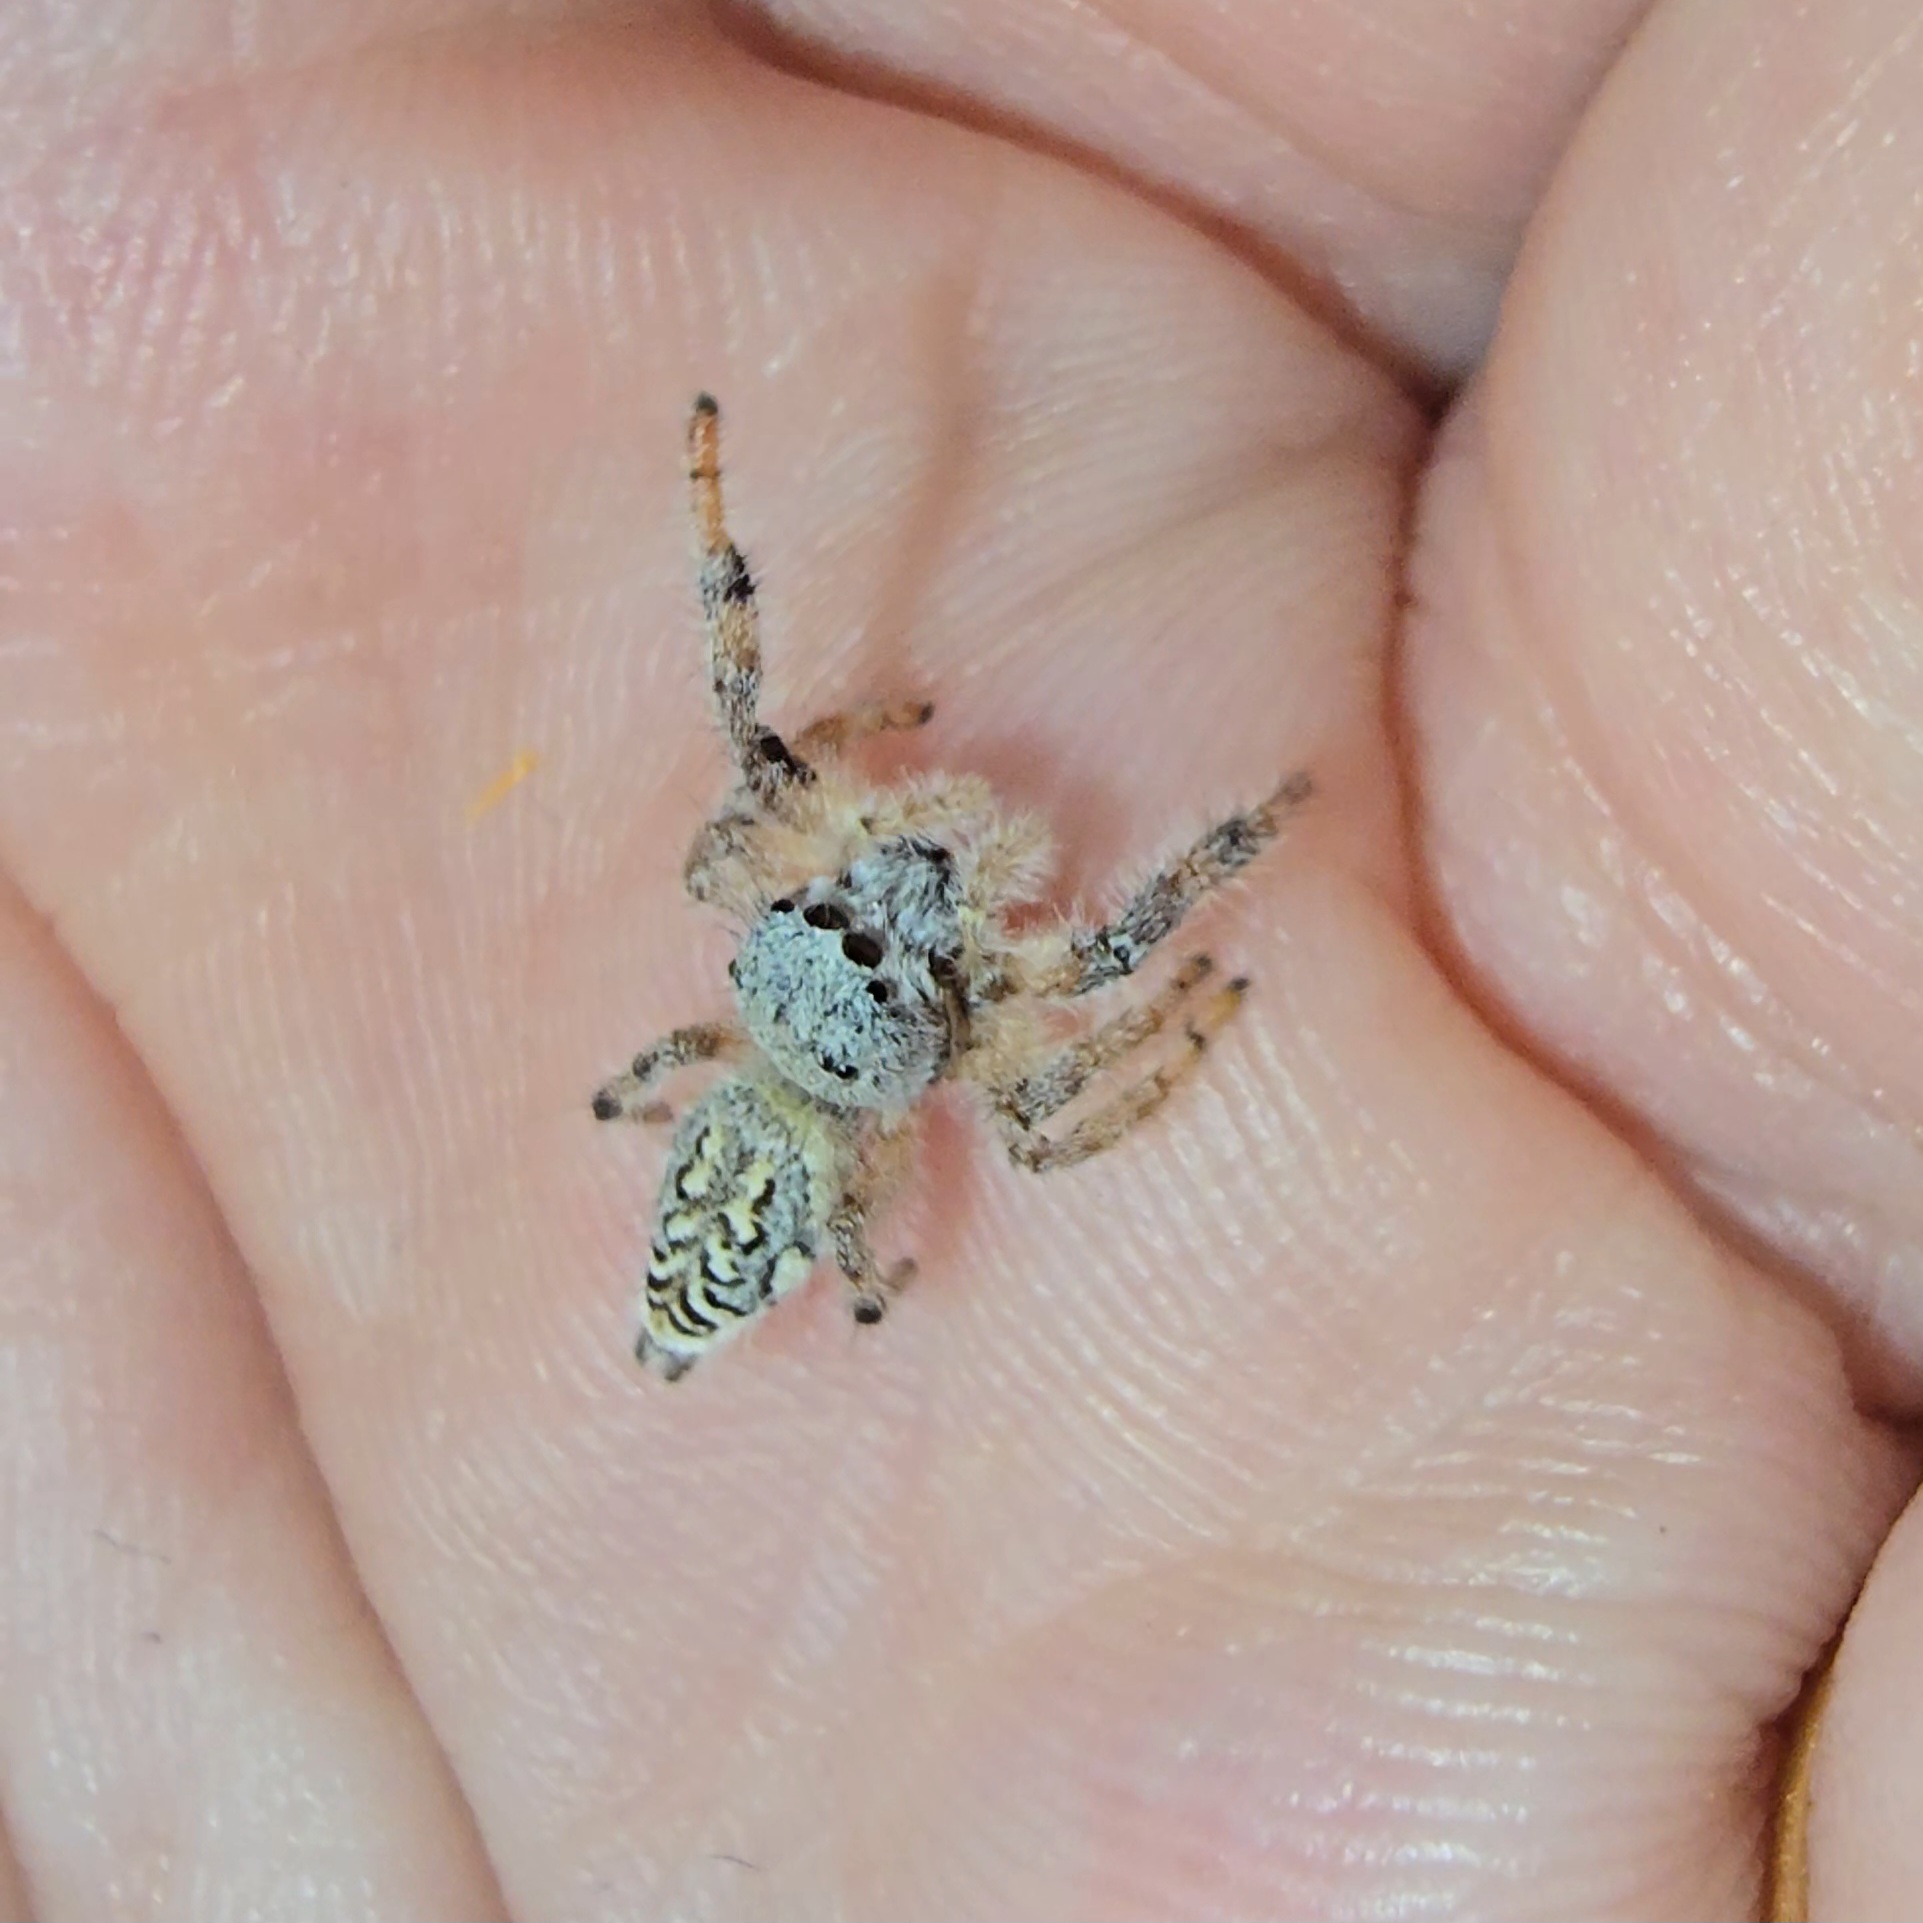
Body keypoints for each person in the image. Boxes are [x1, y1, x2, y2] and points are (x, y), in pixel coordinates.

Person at [0, 2, 1915, 1915]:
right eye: (869, 903)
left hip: (780, 1082)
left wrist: (746, 570)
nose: (907, 885)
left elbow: (767, 773)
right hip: (793, 1109)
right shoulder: (919, 1019)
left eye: (865, 894)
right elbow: (1065, 1067)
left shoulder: (806, 918)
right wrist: (1205, 928)